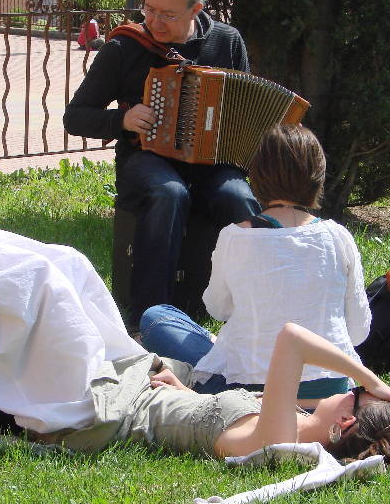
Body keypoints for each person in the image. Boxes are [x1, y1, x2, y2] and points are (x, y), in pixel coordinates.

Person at [0, 207, 390, 468]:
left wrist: (368, 377)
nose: (342, 390)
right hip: (137, 374)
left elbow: (293, 339)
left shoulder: (276, 438)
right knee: (71, 262)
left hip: (100, 409)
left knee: (43, 282)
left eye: (350, 398)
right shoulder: (293, 422)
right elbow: (202, 413)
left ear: (347, 421)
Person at [63, 0, 260, 332]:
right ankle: (150, 318)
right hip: (145, 159)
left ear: (195, 10)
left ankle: (251, 312)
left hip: (213, 164)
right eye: (148, 9)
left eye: (167, 14)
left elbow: (242, 108)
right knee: (169, 193)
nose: (154, 22)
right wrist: (121, 120)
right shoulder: (123, 47)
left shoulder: (226, 41)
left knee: (240, 200)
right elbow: (75, 117)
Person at [140, 125, 371, 404]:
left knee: (156, 318)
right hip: (331, 395)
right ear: (318, 177)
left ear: (257, 174)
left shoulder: (236, 236)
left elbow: (218, 308)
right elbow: (358, 331)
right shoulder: (339, 237)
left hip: (249, 395)